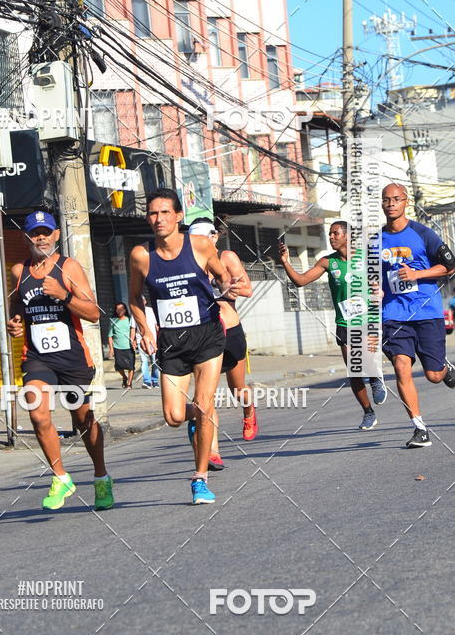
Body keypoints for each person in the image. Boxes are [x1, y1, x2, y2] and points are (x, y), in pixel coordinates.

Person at [129, 188, 237, 505]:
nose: (158, 218)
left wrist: (230, 285)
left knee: (203, 405)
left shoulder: (200, 245)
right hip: (171, 342)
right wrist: (144, 328)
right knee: (174, 416)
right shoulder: (141, 256)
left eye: (165, 212)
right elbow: (134, 298)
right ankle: (201, 417)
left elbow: (222, 278)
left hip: (206, 335)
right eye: (152, 213)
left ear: (178, 216)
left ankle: (200, 479)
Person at [7, 210, 114, 510]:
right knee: (38, 413)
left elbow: (93, 313)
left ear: (56, 235)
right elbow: (16, 305)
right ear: (27, 237)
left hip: (72, 358)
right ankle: (61, 476)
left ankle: (101, 476)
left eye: (46, 231)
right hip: (38, 358)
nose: (41, 237)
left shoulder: (69, 269)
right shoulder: (19, 271)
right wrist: (15, 323)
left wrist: (63, 296)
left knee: (82, 420)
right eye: (34, 232)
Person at [279, 220, 387, 430]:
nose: (331, 237)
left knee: (363, 355)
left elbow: (378, 283)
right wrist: (285, 262)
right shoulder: (327, 262)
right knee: (354, 371)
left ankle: (375, 378)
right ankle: (368, 413)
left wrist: (378, 291)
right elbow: (300, 281)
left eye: (335, 233)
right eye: (330, 234)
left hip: (367, 318)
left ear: (347, 236)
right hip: (344, 320)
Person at [380, 183, 455, 447]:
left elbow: (450, 266)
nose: (391, 204)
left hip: (426, 311)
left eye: (396, 199)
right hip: (393, 314)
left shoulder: (423, 234)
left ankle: (445, 370)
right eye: (386, 200)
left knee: (433, 375)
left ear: (405, 202)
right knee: (401, 366)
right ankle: (419, 428)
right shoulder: (375, 240)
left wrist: (417, 274)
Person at [187, 219, 257, 474]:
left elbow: (247, 288)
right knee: (207, 396)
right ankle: (213, 451)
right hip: (203, 334)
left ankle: (248, 409)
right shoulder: (189, 263)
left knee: (238, 389)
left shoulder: (227, 257)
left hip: (230, 330)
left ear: (214, 237)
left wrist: (227, 287)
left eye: (203, 237)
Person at [107, 302, 136, 389]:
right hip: (117, 347)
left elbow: (133, 330)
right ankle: (124, 377)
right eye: (117, 309)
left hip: (129, 346)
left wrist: (133, 341)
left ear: (125, 310)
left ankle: (129, 383)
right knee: (119, 366)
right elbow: (110, 336)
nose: (119, 311)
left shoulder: (129, 319)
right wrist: (111, 349)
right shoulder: (113, 320)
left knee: (131, 366)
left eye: (121, 309)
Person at [135, 299, 159, 388]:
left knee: (154, 361)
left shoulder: (151, 311)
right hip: (140, 340)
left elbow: (157, 326)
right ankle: (147, 381)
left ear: (145, 302)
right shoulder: (135, 311)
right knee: (143, 361)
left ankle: (155, 380)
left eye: (142, 301)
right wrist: (132, 340)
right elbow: (133, 327)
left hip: (152, 341)